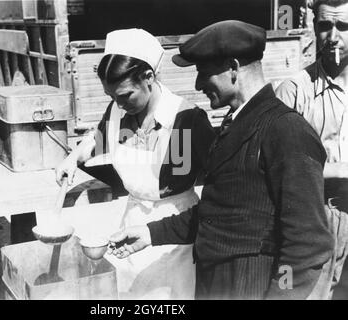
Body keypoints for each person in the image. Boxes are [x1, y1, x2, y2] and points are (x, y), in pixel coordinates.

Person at [108, 20, 334, 300]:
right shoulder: (234, 124)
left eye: (204, 73)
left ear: (234, 67)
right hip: (216, 282)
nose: (198, 84)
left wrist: (281, 296)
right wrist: (150, 233)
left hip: (250, 282)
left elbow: (308, 243)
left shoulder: (286, 131)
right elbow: (217, 212)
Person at [55, 28, 216, 299]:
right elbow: (98, 137)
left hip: (174, 231)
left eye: (126, 95)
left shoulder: (186, 119)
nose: (118, 103)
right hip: (131, 224)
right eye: (111, 97)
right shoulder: (119, 111)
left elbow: (221, 180)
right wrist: (73, 158)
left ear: (149, 77)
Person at [275, 0, 348, 299]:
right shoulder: (293, 90)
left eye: (343, 26)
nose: (332, 36)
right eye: (324, 26)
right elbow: (279, 167)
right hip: (314, 219)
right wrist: (340, 170)